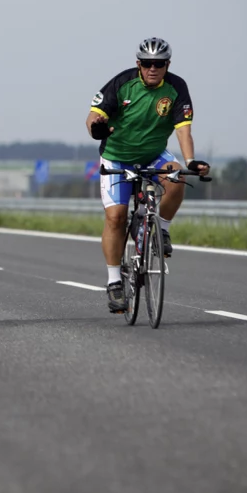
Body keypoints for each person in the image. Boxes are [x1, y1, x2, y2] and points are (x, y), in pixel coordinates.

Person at [84, 37, 210, 313]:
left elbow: (183, 130)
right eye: (148, 63)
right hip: (117, 156)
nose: (153, 68)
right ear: (138, 64)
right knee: (115, 217)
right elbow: (93, 117)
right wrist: (98, 129)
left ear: (168, 65)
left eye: (160, 64)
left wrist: (190, 160)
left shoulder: (177, 87)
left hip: (153, 154)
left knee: (177, 176)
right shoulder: (122, 83)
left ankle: (161, 229)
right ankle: (114, 281)